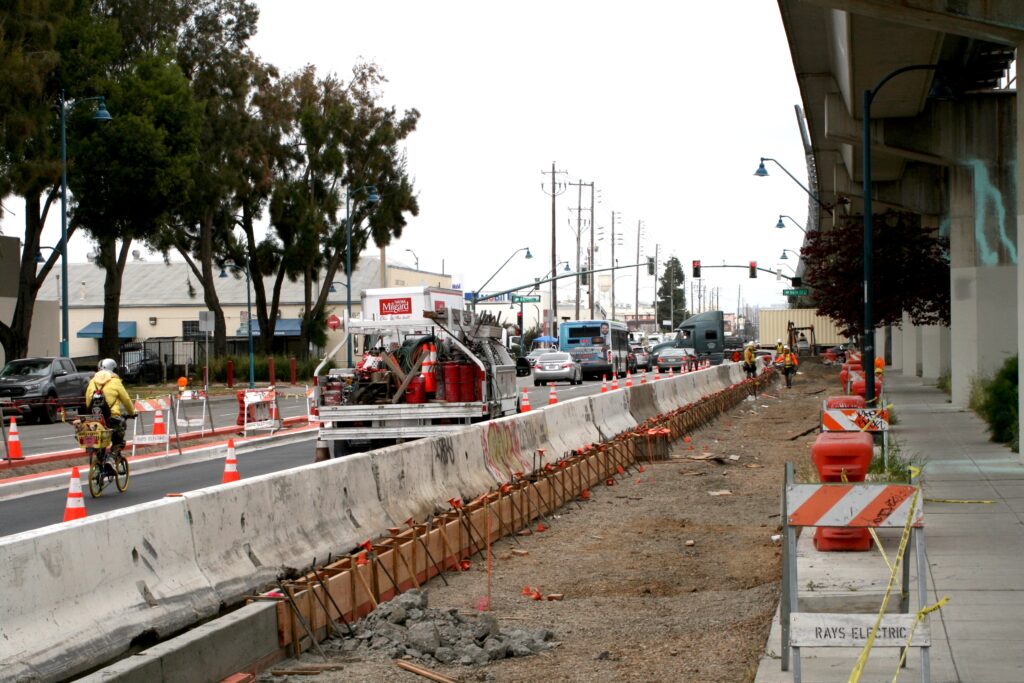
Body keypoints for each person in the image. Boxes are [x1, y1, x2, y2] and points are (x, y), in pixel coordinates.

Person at [83, 358, 137, 461]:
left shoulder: (92, 381)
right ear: (112, 368)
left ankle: (99, 460)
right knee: (118, 439)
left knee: (100, 440)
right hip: (112, 417)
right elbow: (126, 399)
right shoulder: (115, 381)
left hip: (95, 419)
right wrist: (132, 412)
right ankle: (112, 457)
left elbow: (88, 400)